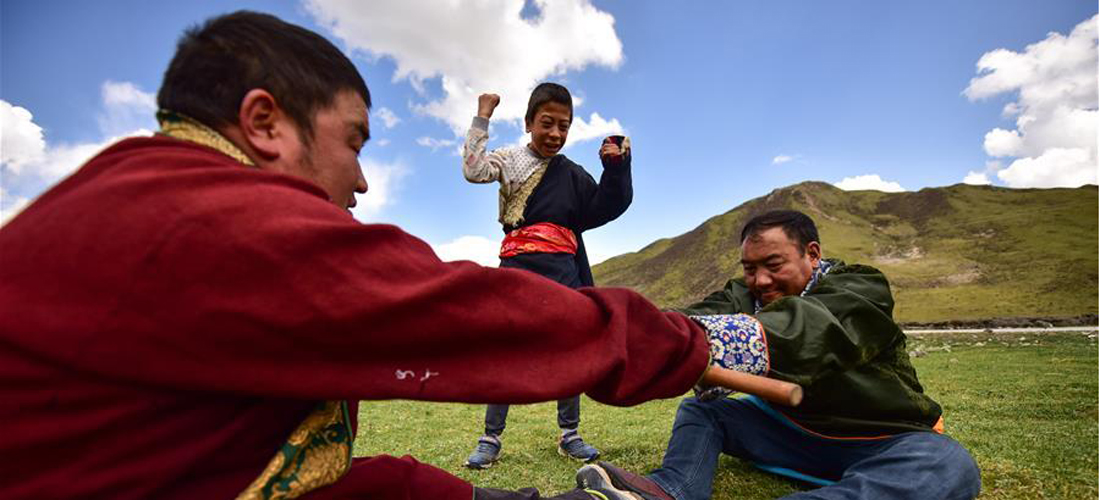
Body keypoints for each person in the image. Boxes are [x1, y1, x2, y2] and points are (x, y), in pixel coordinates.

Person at [0, 11, 742, 500]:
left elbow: (605, 210)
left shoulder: (133, 192)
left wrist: (619, 170)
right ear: (263, 122)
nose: (359, 181)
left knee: (391, 486)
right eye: (353, 142)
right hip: (529, 268)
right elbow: (462, 315)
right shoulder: (208, 222)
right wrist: (698, 341)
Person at [575, 210, 982, 500]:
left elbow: (810, 327)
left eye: (773, 264)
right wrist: (634, 333)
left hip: (882, 437)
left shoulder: (862, 287)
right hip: (793, 432)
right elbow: (690, 319)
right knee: (703, 412)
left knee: (950, 464)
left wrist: (696, 342)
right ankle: (672, 488)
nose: (760, 280)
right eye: (750, 268)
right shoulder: (744, 294)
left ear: (813, 254)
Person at [459, 83, 632, 468]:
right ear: (528, 123)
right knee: (506, 350)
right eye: (547, 123)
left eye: (564, 127)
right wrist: (482, 115)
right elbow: (473, 170)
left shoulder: (572, 175)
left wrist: (616, 168)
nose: (555, 134)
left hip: (564, 271)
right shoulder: (510, 160)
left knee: (571, 348)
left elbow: (604, 206)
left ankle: (569, 433)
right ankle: (490, 437)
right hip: (518, 269)